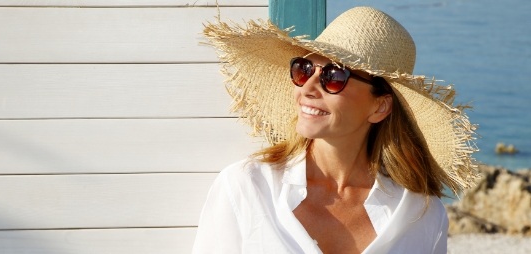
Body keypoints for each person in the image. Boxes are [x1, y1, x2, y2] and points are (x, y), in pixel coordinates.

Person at [194, 6, 478, 254]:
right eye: (304, 69)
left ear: (380, 107)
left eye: (334, 76)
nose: (307, 87)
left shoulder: (421, 214)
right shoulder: (247, 187)